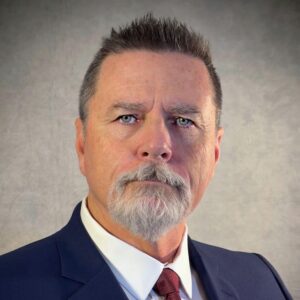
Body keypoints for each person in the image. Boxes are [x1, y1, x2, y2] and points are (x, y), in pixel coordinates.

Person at [0, 14, 292, 300]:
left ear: (215, 152)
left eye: (183, 121)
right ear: (82, 144)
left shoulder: (261, 282)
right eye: (127, 117)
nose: (156, 145)